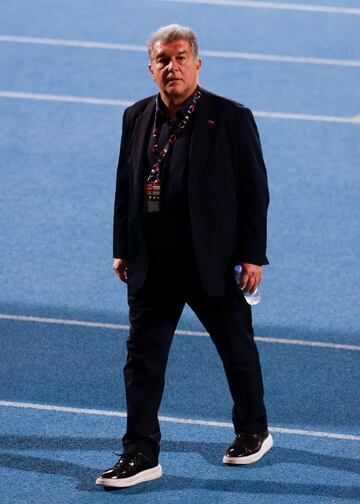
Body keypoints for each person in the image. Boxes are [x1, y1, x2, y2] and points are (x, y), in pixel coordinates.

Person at [96, 24, 272, 489]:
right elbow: (124, 187)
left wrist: (253, 256)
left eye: (179, 57)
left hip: (211, 259)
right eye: (162, 59)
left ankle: (253, 430)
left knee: (236, 349)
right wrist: (122, 248)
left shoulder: (230, 117)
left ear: (197, 62)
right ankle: (140, 451)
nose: (171, 67)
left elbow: (255, 191)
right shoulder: (136, 116)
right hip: (153, 262)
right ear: (150, 67)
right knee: (142, 360)